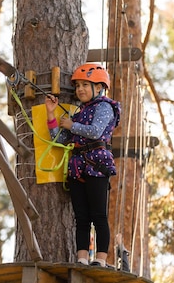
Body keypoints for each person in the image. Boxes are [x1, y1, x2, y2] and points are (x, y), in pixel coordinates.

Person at [45, 63, 121, 267]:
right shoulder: (79, 112)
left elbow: (96, 131)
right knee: (82, 218)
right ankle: (82, 258)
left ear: (99, 87)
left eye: (85, 85)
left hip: (96, 165)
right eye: (78, 85)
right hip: (77, 167)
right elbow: (60, 139)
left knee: (98, 215)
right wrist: (51, 115)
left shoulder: (105, 107)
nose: (80, 89)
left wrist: (72, 125)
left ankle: (101, 259)